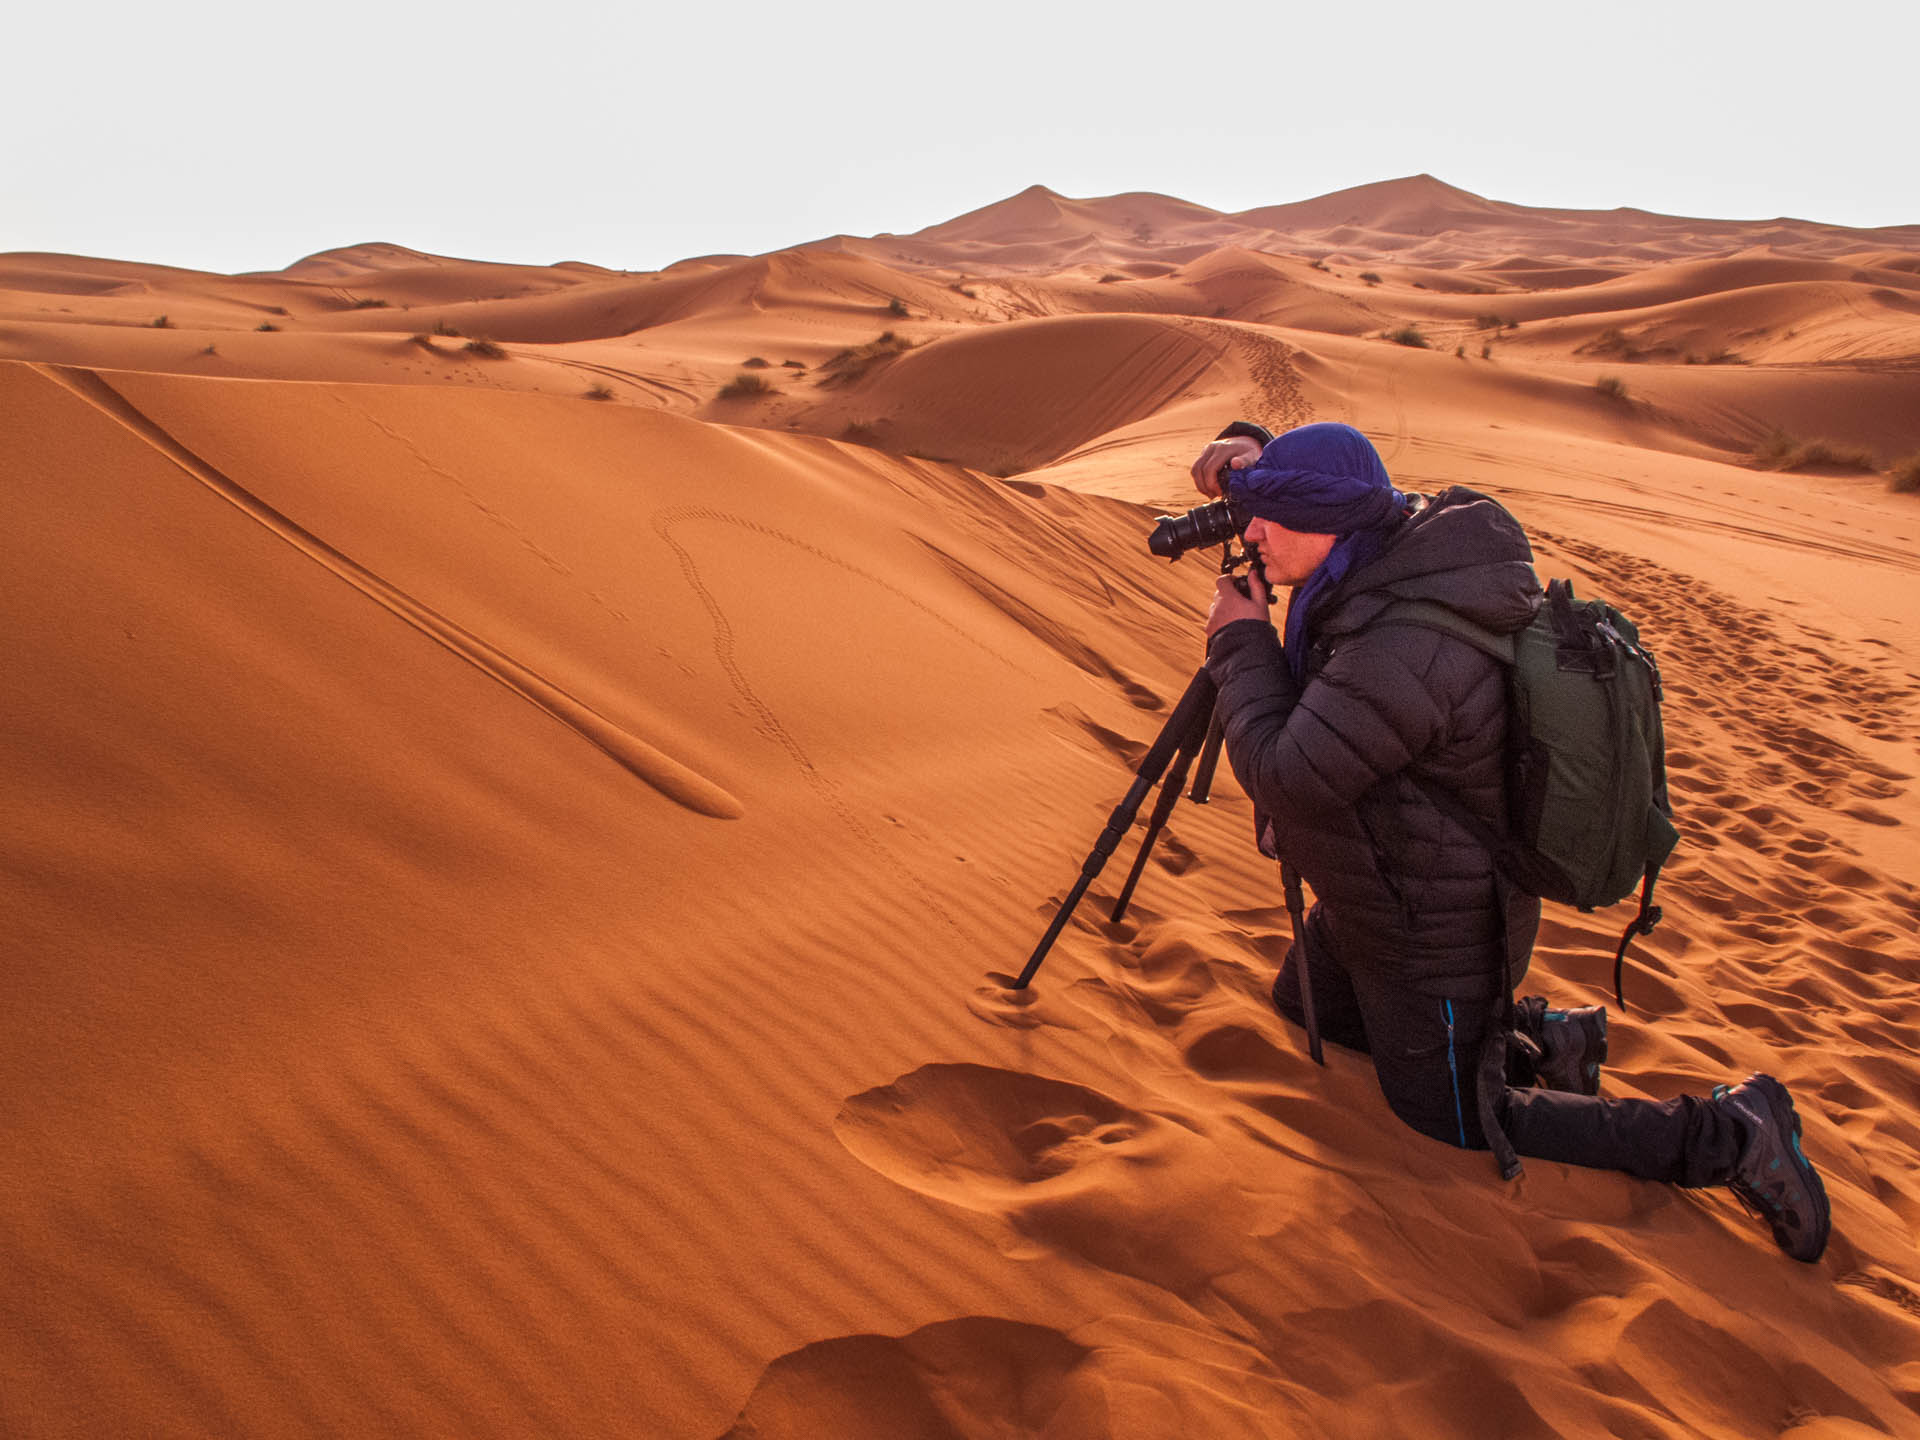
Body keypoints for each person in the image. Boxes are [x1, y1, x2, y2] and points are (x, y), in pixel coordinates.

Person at [1192, 419, 1831, 1262]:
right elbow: (1324, 476)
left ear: (1330, 524)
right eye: (1252, 512)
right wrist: (1253, 453)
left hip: (1439, 925)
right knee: (1307, 1007)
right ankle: (1550, 1040)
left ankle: (1728, 1135)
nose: (1252, 535)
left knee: (1452, 1114)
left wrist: (1239, 643)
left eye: (1269, 517)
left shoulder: (1402, 650)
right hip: (1377, 889)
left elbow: (1284, 773)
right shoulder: (1388, 546)